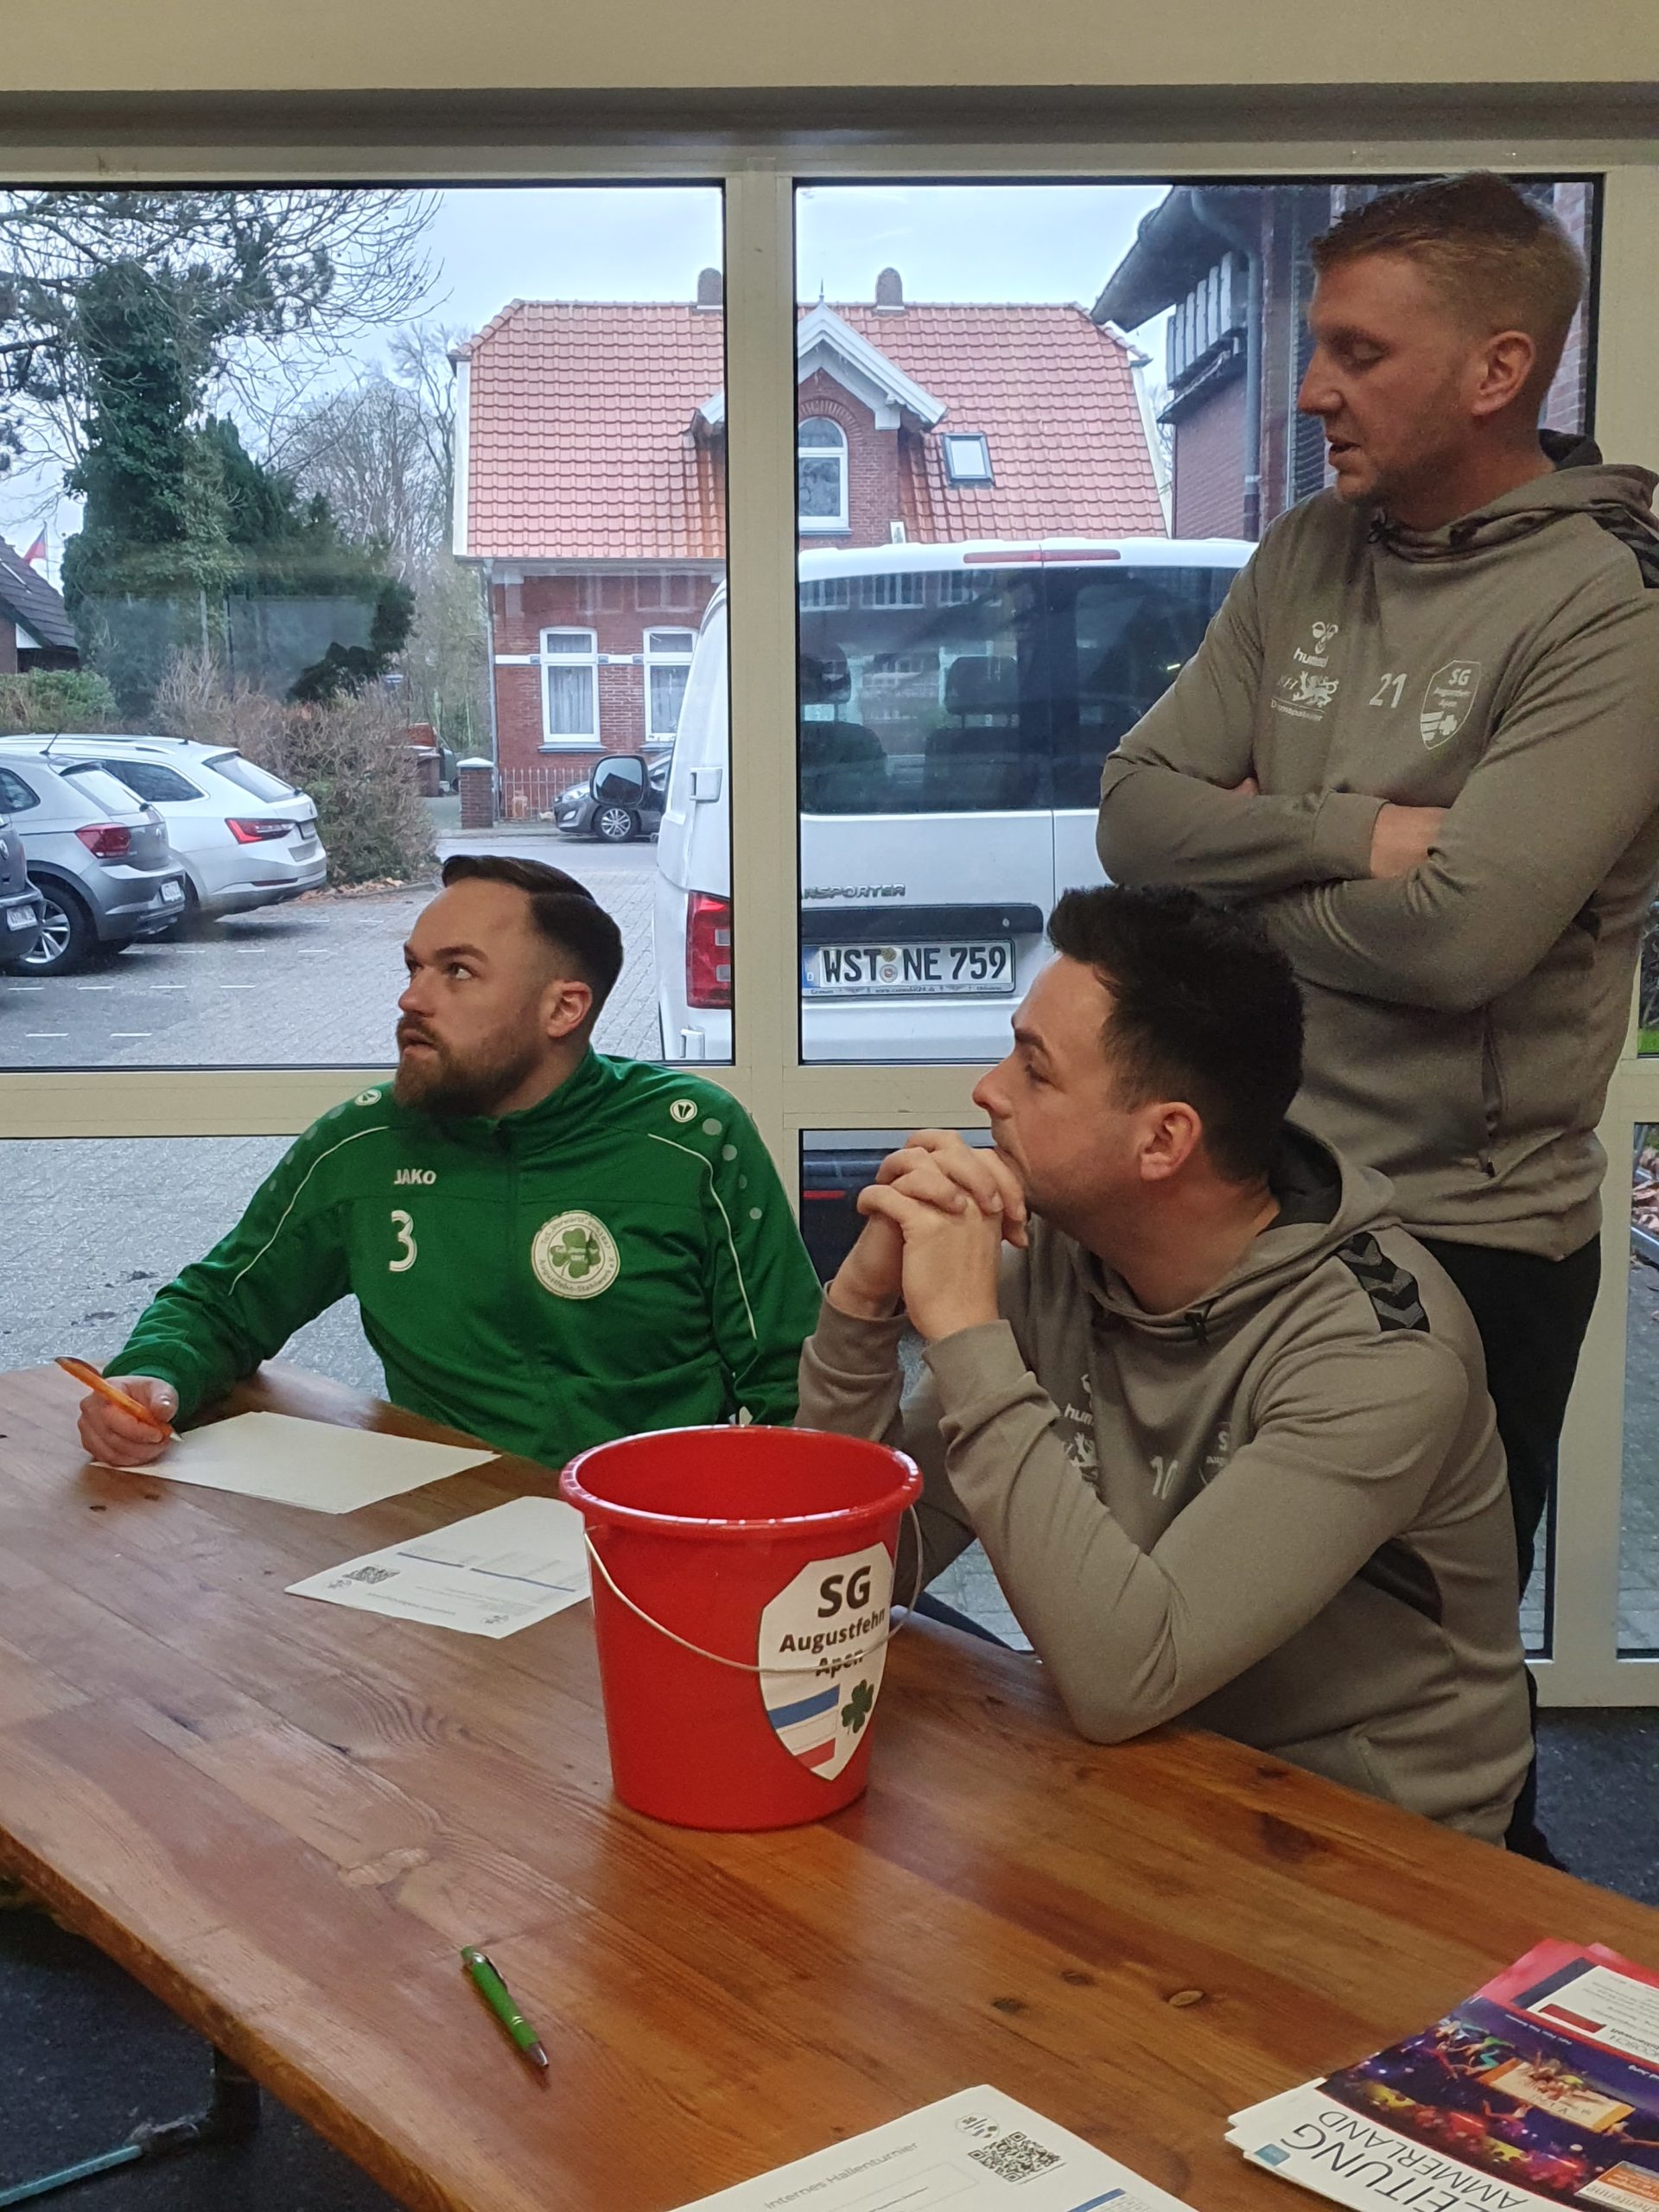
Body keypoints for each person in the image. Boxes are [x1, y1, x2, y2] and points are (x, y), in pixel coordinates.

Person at [1095, 175, 1659, 1852]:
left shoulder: (1613, 602)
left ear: (1497, 370)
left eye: (1357, 351)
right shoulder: (1306, 551)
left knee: (1413, 1708)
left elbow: (1464, 939)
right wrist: (1358, 834)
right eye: (1312, 345)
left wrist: (1239, 876)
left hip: (1464, 1234)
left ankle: (1496, 1959)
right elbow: (1134, 814)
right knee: (1225, 1666)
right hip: (1254, 1204)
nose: (1308, 389)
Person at [798, 886, 1531, 1845]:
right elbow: (854, 1580)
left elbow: (1125, 1677)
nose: (988, 1091)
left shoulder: (1378, 1353)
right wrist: (859, 1313)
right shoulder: (1060, 1261)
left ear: (1163, 1139)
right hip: (1144, 1772)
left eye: (1034, 1070)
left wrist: (969, 1338)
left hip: (1374, 1837)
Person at [77, 855, 823, 1471]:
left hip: (655, 1532)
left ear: (563, 1009)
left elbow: (791, 1379)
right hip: (445, 1533)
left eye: (457, 972)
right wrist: (153, 1375)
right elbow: (221, 1305)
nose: (412, 999)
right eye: (414, 967)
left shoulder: (691, 1138)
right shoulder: (364, 1144)